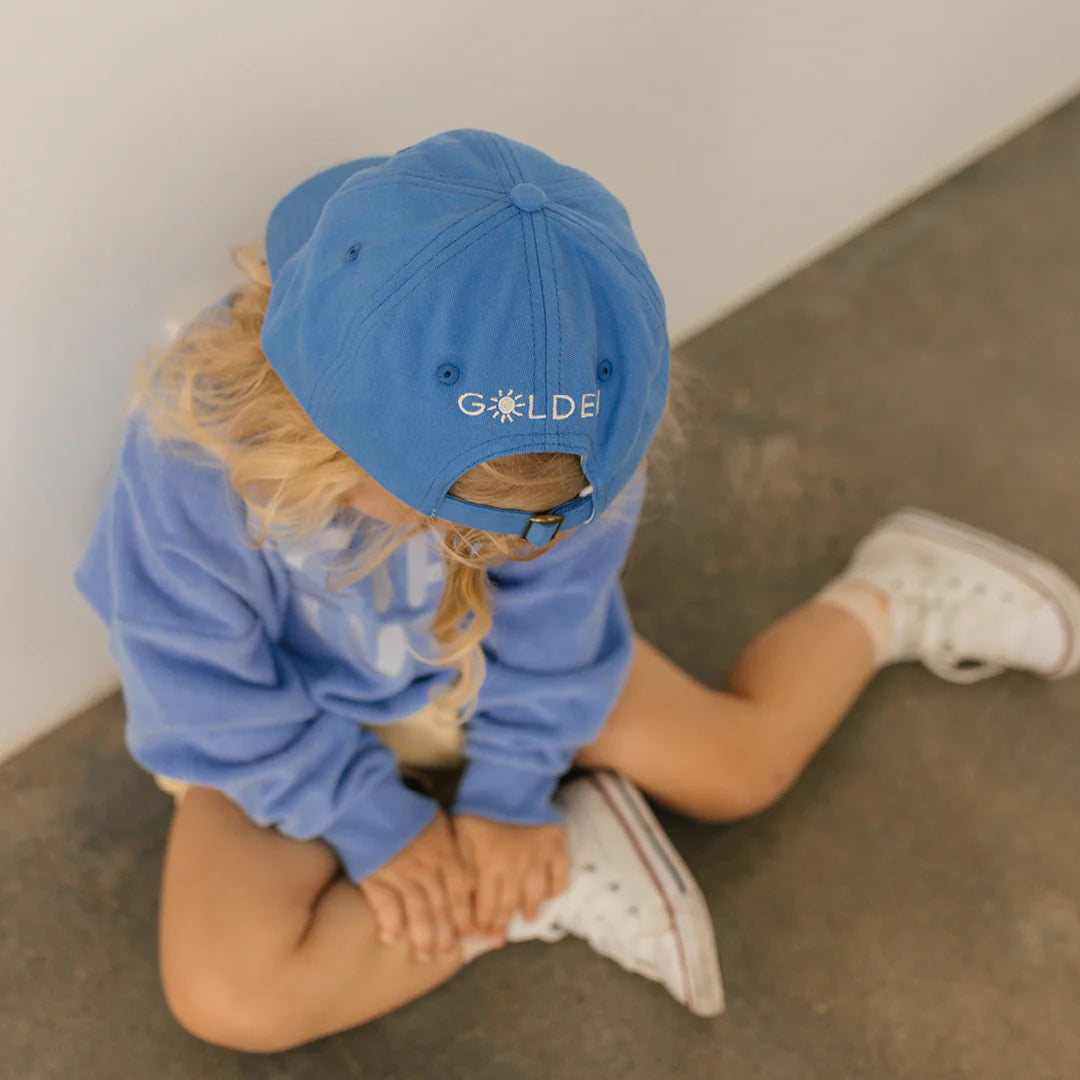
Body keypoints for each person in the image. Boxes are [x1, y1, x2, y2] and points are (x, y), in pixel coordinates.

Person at [74, 128, 1080, 1053]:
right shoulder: (194, 444)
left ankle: (890, 597)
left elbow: (556, 621)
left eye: (494, 535)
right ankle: (555, 879)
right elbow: (192, 680)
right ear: (324, 424)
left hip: (479, 673)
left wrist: (512, 793)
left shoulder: (576, 444)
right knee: (229, 995)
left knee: (742, 771)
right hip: (293, 717)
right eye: (441, 520)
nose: (469, 545)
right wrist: (370, 822)